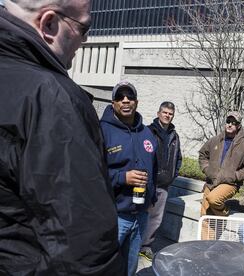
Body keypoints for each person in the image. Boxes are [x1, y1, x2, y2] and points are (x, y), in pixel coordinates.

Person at [0, 1, 124, 275]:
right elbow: (85, 250)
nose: (86, 39)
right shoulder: (52, 98)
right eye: (84, 28)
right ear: (49, 24)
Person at [100, 81, 158, 276]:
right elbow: (91, 175)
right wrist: (122, 177)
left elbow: (154, 168)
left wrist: (152, 200)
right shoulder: (101, 131)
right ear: (113, 103)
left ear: (136, 102)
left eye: (130, 97)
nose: (125, 100)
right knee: (104, 266)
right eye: (120, 97)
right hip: (114, 216)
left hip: (141, 216)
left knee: (130, 268)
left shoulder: (147, 133)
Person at [139, 101, 182, 261]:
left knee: (156, 217)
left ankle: (145, 246)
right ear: (158, 113)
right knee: (141, 213)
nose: (167, 116)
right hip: (147, 182)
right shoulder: (148, 131)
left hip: (164, 184)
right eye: (164, 112)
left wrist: (173, 174)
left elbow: (178, 158)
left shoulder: (174, 136)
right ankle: (133, 243)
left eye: (170, 114)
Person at [199, 111, 244, 217]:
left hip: (229, 183)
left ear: (239, 126)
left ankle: (224, 213)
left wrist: (235, 175)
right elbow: (203, 154)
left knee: (213, 199)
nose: (230, 124)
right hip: (211, 181)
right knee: (204, 213)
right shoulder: (215, 140)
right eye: (228, 121)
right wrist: (207, 169)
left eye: (234, 123)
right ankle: (206, 234)